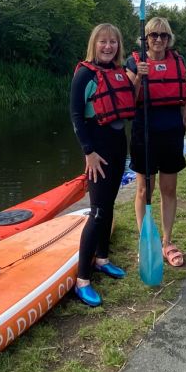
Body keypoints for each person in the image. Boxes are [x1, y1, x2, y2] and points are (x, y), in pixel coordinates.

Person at [70, 23, 135, 307]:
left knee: (109, 205)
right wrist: (89, 152)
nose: (108, 47)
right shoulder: (85, 74)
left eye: (113, 42)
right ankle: (82, 280)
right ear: (94, 44)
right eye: (103, 42)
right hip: (97, 150)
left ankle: (102, 259)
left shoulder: (119, 72)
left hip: (118, 145)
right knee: (97, 211)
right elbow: (76, 115)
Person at [125, 17, 186, 267]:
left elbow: (182, 90)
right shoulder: (134, 62)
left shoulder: (178, 60)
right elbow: (128, 101)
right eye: (153, 35)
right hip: (144, 130)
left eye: (164, 35)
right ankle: (146, 241)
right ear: (145, 39)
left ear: (169, 39)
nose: (159, 40)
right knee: (145, 190)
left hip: (171, 130)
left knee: (169, 188)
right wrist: (138, 78)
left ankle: (166, 241)